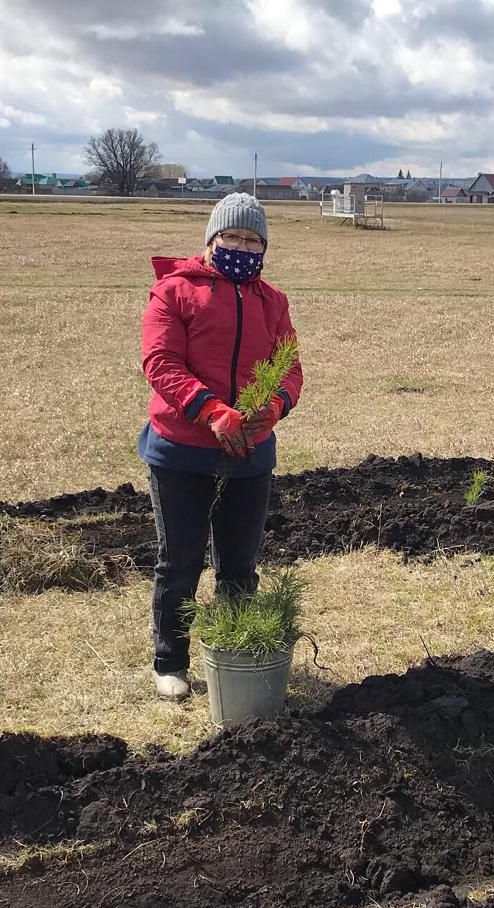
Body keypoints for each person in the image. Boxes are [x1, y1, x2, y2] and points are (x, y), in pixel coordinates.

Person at [138, 192, 303, 700]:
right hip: (182, 451)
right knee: (181, 560)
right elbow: (160, 362)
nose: (242, 246)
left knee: (238, 564)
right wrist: (210, 409)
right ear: (212, 239)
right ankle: (171, 661)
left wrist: (274, 405)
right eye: (232, 237)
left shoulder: (272, 301)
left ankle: (231, 658)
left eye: (253, 240)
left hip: (248, 457)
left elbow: (291, 367)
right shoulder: (174, 292)